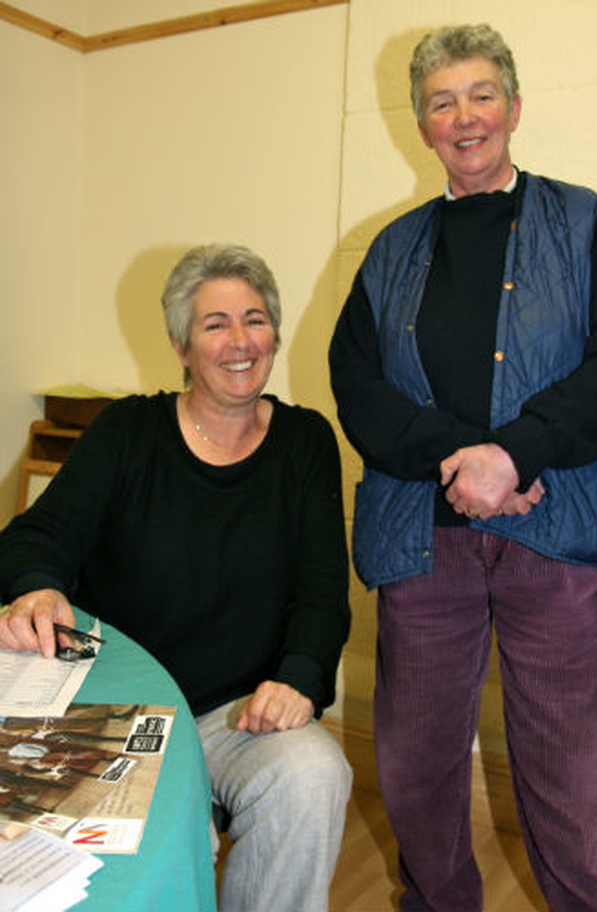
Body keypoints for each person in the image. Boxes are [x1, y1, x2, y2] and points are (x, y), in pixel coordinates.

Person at [329, 23, 597, 912]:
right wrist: (458, 461)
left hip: (560, 540)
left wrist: (516, 454)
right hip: (424, 546)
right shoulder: (390, 250)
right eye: (440, 102)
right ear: (422, 126)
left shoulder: (586, 223)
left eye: (480, 96)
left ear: (512, 108)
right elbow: (356, 383)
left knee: (572, 777)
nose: (463, 117)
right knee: (418, 767)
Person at [0, 243, 352, 912]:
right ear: (181, 345)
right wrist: (40, 584)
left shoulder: (306, 443)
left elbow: (321, 593)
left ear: (275, 332)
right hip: (116, 712)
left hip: (237, 714)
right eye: (215, 324)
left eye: (255, 318)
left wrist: (300, 677)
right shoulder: (127, 432)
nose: (240, 340)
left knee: (314, 774)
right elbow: (35, 537)